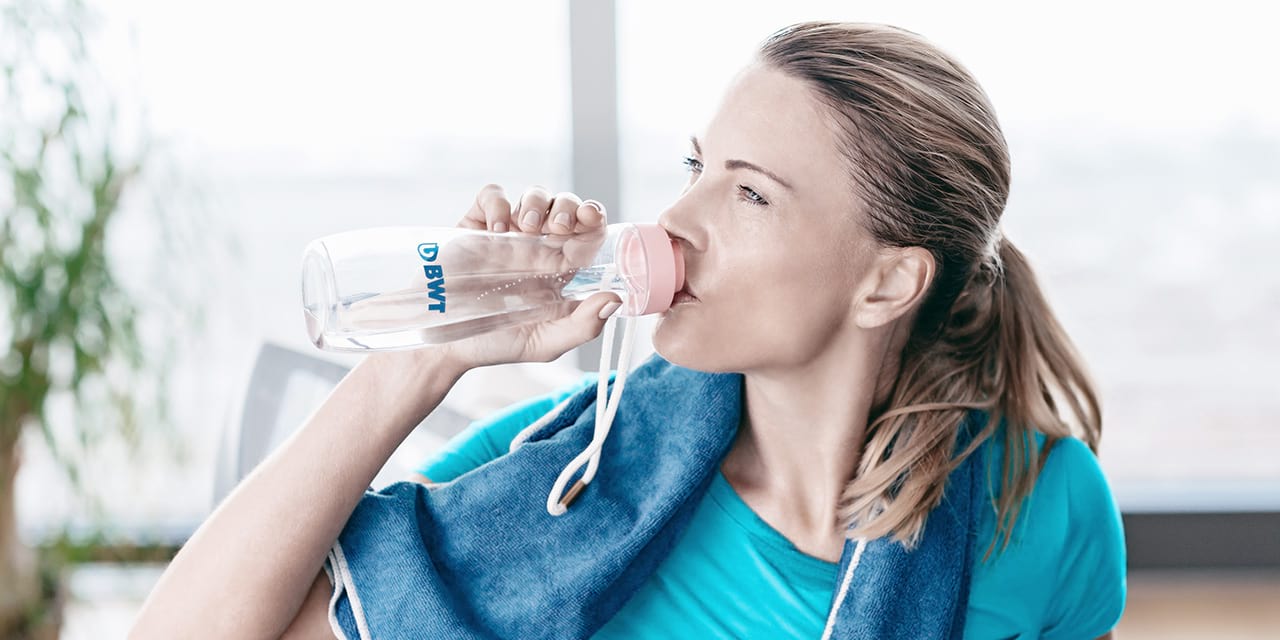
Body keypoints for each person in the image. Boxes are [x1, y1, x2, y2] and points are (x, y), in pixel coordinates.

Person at [131, 21, 1125, 639]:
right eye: (694, 165)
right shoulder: (565, 494)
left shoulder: (1043, 507)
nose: (673, 220)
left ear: (885, 282)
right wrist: (419, 367)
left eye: (747, 194)